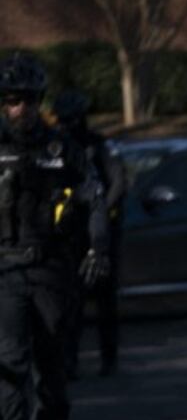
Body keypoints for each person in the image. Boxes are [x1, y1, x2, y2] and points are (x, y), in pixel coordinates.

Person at [0, 53, 109, 420]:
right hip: (4, 273)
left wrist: (98, 247)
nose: (20, 108)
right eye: (11, 100)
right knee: (9, 367)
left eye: (27, 100)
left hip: (50, 272)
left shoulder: (61, 149)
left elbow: (95, 197)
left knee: (55, 372)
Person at [51, 91, 124, 380]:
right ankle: (70, 362)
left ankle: (110, 359)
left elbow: (118, 182)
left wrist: (101, 212)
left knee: (105, 301)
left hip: (102, 235)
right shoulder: (58, 148)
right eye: (62, 121)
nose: (66, 126)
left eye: (70, 120)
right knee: (72, 303)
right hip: (71, 235)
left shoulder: (100, 146)